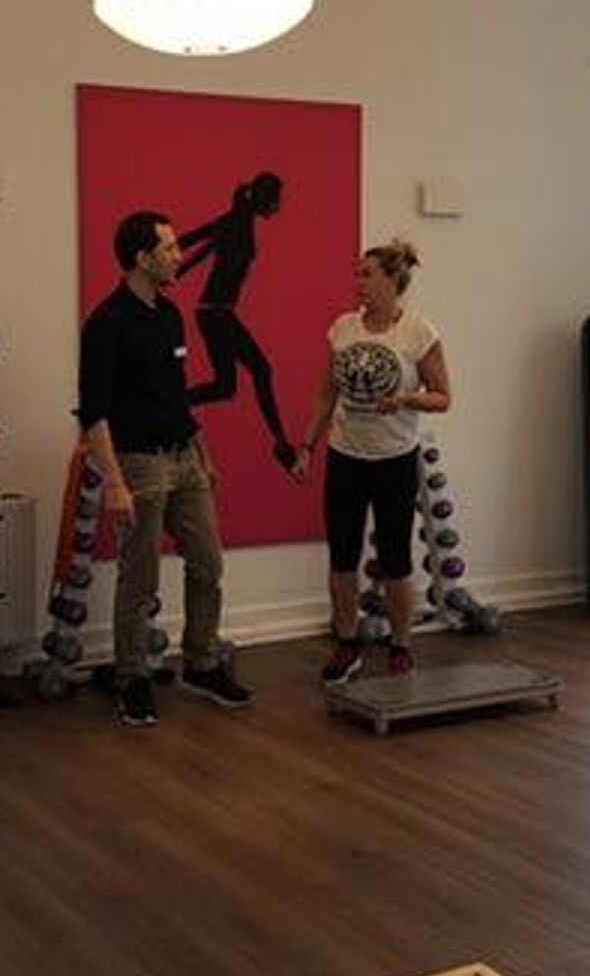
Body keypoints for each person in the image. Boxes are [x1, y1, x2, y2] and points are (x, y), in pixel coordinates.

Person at [78, 209, 252, 727]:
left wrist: (204, 455)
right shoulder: (107, 323)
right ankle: (131, 677)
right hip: (138, 463)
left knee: (208, 563)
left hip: (184, 458)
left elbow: (177, 396)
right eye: (170, 248)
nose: (180, 256)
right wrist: (114, 482)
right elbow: (93, 412)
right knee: (141, 577)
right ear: (142, 257)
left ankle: (201, 662)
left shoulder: (171, 315)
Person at [290, 239, 451, 682]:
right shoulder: (343, 328)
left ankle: (400, 647)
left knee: (396, 560)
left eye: (367, 274)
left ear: (392, 280)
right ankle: (347, 644)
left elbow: (443, 397)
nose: (357, 282)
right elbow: (326, 394)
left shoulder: (418, 333)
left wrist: (405, 399)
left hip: (394, 460)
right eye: (356, 274)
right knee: (342, 558)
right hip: (346, 457)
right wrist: (307, 446)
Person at [178, 171, 297, 469]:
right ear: (264, 199)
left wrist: (180, 270)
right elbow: (194, 242)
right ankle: (281, 442)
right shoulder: (233, 223)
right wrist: (171, 269)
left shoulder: (240, 222)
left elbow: (205, 248)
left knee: (225, 387)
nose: (278, 206)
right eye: (276, 200)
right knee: (261, 369)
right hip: (215, 313)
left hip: (216, 313)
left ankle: (172, 402)